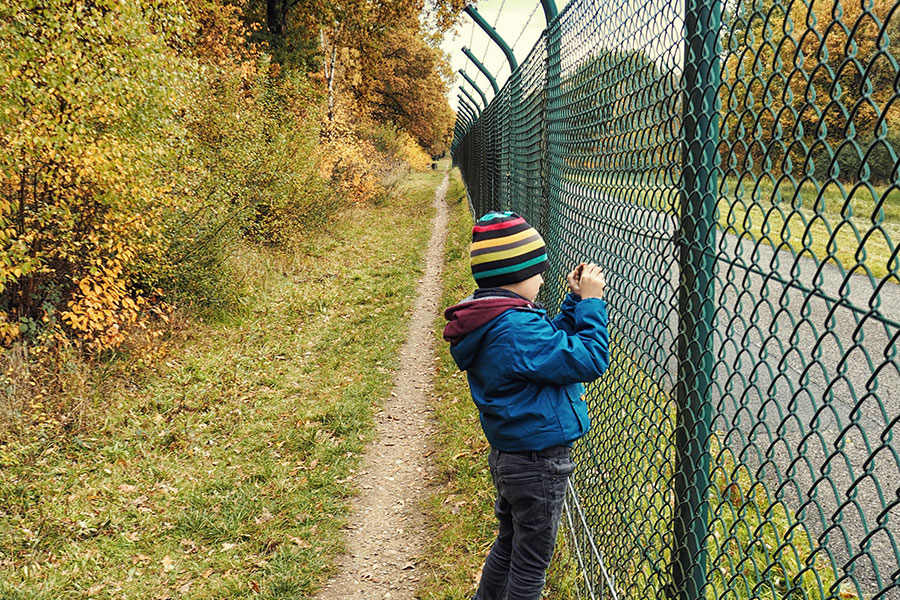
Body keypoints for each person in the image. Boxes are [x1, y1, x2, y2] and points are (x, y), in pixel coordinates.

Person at [443, 211, 610, 600]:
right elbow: (588, 358)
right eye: (538, 272)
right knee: (532, 563)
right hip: (538, 462)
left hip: (511, 457)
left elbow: (551, 347)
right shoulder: (516, 328)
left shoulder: (497, 318)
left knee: (510, 543)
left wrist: (571, 302)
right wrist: (592, 304)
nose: (541, 280)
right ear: (517, 274)